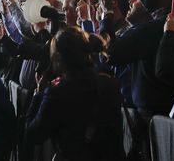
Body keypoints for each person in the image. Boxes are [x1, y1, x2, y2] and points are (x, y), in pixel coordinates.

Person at [24, 27, 124, 161]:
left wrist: (39, 94)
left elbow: (32, 134)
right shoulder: (109, 83)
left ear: (58, 57)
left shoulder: (57, 93)